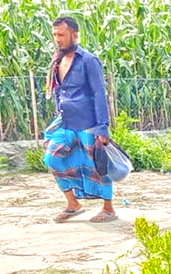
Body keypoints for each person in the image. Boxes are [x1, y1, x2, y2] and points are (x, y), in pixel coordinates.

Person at [43, 15, 116, 223]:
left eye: (62, 35)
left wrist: (102, 127)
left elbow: (99, 93)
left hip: (88, 123)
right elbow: (58, 90)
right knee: (52, 157)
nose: (58, 39)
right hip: (65, 122)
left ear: (74, 35)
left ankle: (108, 209)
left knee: (97, 165)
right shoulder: (57, 59)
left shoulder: (89, 60)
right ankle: (73, 204)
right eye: (55, 35)